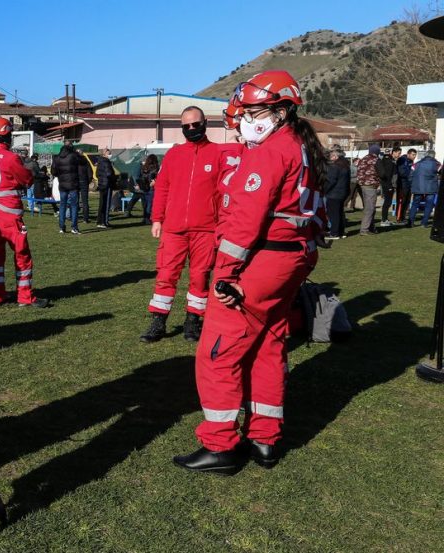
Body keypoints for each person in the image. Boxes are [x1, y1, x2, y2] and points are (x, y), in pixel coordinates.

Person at [174, 70, 325, 474]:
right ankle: (264, 439)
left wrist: (225, 274)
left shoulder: (272, 150)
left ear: (280, 109)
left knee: (218, 353)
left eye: (252, 110)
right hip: (289, 257)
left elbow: (245, 220)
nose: (244, 118)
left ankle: (220, 445)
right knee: (268, 346)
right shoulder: (301, 146)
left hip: (263, 260)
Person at [140, 106, 225, 344]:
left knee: (200, 276)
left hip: (206, 229)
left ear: (205, 123)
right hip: (174, 229)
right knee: (166, 275)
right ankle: (158, 322)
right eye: (186, 126)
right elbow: (163, 189)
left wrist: (221, 225)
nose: (191, 129)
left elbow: (223, 194)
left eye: (195, 124)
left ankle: (193, 321)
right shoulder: (174, 155)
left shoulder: (218, 154)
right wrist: (156, 219)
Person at [0, 116, 50, 308]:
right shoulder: (11, 158)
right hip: (10, 215)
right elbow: (26, 180)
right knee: (22, 255)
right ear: (7, 135)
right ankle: (25, 297)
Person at [52, 140, 81, 233]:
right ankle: (74, 227)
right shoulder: (73, 156)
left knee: (62, 205)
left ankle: (61, 227)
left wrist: (61, 175)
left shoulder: (57, 157)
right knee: (74, 205)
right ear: (71, 146)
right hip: (73, 184)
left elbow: (53, 172)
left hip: (63, 184)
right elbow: (82, 162)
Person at [409, 150, 440, 228]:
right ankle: (424, 223)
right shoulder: (437, 164)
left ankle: (411, 222)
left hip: (418, 186)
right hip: (431, 187)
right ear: (433, 155)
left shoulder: (416, 164)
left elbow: (410, 176)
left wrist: (412, 184)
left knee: (415, 204)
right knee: (429, 205)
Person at [324, 149, 350, 239]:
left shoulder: (335, 167)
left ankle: (334, 233)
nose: (330, 158)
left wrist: (324, 190)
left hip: (334, 193)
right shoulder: (345, 166)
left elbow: (331, 181)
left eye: (331, 156)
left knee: (333, 214)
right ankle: (341, 231)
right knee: (340, 213)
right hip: (342, 192)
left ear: (335, 156)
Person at [355, 145, 380, 235]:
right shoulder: (376, 160)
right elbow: (382, 172)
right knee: (370, 208)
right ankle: (364, 229)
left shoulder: (363, 159)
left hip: (361, 185)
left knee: (369, 207)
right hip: (370, 185)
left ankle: (371, 227)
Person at [376, 147, 400, 227]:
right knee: (387, 202)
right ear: (393, 152)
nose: (399, 155)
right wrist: (389, 186)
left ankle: (385, 219)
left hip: (389, 184)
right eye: (398, 153)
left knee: (388, 202)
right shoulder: (389, 161)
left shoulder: (390, 160)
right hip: (388, 185)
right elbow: (388, 175)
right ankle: (383, 220)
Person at [96, 149, 116, 229]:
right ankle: (104, 221)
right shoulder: (106, 161)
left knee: (102, 203)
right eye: (109, 153)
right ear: (104, 154)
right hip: (107, 184)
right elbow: (109, 173)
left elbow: (97, 173)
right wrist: (114, 178)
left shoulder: (100, 162)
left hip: (102, 184)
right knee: (106, 204)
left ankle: (101, 221)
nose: (110, 154)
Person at [136, 155, 159, 224]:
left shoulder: (144, 167)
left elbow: (141, 176)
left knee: (145, 204)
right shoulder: (155, 168)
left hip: (144, 187)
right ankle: (148, 219)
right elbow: (157, 176)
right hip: (151, 187)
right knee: (149, 204)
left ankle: (145, 218)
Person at [396, 148, 416, 222]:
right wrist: (410, 174)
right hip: (402, 184)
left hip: (409, 184)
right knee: (402, 201)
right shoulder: (402, 160)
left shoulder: (411, 161)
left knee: (407, 201)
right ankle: (399, 217)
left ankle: (403, 217)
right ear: (408, 154)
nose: (414, 156)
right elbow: (401, 172)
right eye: (413, 154)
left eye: (415, 155)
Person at [78, 149, 96, 224]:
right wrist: (87, 181)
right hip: (84, 182)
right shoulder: (86, 162)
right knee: (85, 201)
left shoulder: (74, 162)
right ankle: (85, 218)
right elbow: (90, 173)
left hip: (76, 182)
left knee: (75, 200)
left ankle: (74, 216)